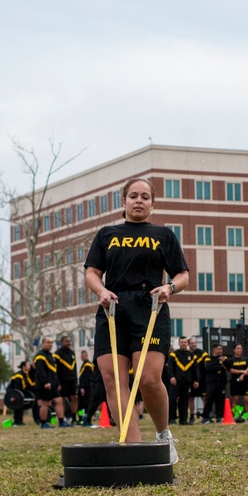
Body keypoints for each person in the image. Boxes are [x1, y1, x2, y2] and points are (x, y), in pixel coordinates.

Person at [84, 176, 189, 463]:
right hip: (113, 308)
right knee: (113, 380)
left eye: (145, 196)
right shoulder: (106, 234)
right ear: (124, 201)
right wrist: (101, 290)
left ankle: (163, 434)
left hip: (150, 307)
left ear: (153, 204)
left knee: (148, 378)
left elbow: (182, 275)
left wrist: (170, 287)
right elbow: (92, 272)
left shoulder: (163, 235)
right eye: (133, 196)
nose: (139, 201)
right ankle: (136, 451)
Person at [35, 336, 69, 428]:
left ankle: (62, 422)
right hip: (45, 384)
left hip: (53, 384)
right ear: (43, 344)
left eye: (51, 343)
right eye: (48, 342)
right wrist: (45, 382)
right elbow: (40, 371)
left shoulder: (50, 355)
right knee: (45, 403)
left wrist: (57, 383)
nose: (50, 344)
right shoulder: (40, 356)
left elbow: (54, 371)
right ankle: (43, 423)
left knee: (59, 400)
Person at [167, 336, 196, 426]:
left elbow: (195, 369)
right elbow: (170, 367)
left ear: (187, 344)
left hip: (186, 381)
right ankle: (171, 418)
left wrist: (196, 380)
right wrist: (171, 377)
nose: (183, 344)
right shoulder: (174, 355)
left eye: (185, 342)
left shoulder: (191, 356)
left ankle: (183, 419)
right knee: (172, 400)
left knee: (184, 401)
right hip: (175, 381)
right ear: (179, 343)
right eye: (182, 342)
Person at [201, 343, 229, 423]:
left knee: (220, 400)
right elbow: (209, 368)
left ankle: (219, 416)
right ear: (214, 349)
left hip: (221, 382)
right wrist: (220, 365)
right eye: (219, 349)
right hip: (211, 382)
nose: (221, 351)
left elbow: (229, 366)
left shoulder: (224, 358)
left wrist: (225, 362)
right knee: (209, 399)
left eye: (221, 349)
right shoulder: (208, 358)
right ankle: (205, 417)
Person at [229, 343, 248, 422]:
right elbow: (231, 370)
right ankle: (236, 416)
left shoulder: (245, 359)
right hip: (235, 382)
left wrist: (243, 374)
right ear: (234, 350)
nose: (239, 350)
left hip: (244, 382)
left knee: (246, 399)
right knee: (235, 399)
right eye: (237, 348)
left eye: (240, 348)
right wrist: (241, 371)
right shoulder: (231, 360)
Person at [55, 335, 79, 419]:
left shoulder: (72, 353)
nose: (69, 343)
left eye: (69, 341)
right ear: (62, 342)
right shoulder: (57, 354)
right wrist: (57, 382)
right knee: (62, 399)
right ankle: (63, 417)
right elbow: (55, 370)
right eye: (66, 341)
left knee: (74, 398)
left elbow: (75, 367)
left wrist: (76, 381)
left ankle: (73, 418)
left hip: (72, 380)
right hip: (62, 380)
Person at [187, 337, 208, 424]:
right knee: (191, 398)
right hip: (191, 380)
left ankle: (205, 416)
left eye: (195, 343)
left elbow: (207, 360)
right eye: (192, 343)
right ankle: (192, 416)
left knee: (204, 398)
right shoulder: (187, 354)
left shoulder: (202, 353)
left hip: (202, 379)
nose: (194, 345)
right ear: (189, 344)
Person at [8, 361, 31, 426]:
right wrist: (15, 396)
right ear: (24, 367)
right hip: (13, 393)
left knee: (21, 407)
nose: (29, 366)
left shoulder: (25, 375)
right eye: (28, 365)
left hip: (20, 393)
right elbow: (16, 387)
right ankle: (16, 422)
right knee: (17, 407)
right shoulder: (19, 375)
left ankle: (20, 421)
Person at [78, 351, 96, 426]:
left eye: (84, 356)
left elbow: (85, 378)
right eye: (81, 356)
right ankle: (81, 418)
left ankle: (84, 418)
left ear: (87, 356)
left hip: (86, 388)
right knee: (81, 405)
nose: (82, 358)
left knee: (84, 405)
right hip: (85, 387)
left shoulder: (87, 365)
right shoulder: (84, 364)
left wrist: (82, 387)